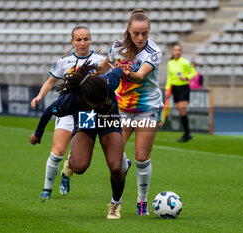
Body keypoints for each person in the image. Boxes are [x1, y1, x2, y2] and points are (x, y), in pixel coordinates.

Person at [67, 9, 162, 216]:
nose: (140, 38)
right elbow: (103, 67)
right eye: (136, 33)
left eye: (144, 33)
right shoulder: (117, 47)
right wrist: (88, 75)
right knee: (117, 161)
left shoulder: (154, 52)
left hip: (147, 108)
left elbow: (139, 76)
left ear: (149, 31)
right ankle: (122, 167)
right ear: (128, 30)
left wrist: (129, 73)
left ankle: (142, 202)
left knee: (142, 158)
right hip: (121, 109)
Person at [29, 61, 132, 219]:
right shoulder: (70, 100)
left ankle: (115, 204)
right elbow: (49, 110)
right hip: (86, 119)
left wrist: (123, 69)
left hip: (109, 120)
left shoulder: (108, 82)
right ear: (85, 98)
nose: (103, 102)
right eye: (98, 102)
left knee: (116, 167)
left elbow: (118, 71)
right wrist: (38, 134)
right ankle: (72, 161)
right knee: (80, 167)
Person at [31, 26, 106, 200]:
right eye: (78, 40)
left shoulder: (100, 60)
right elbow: (50, 82)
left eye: (86, 39)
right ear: (72, 42)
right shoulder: (65, 61)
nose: (82, 43)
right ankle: (47, 188)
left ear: (91, 40)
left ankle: (65, 176)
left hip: (87, 113)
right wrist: (40, 96)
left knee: (77, 156)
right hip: (67, 112)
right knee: (57, 152)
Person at [165, 43, 197, 142]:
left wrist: (186, 77)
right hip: (174, 88)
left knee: (182, 110)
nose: (177, 52)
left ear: (181, 52)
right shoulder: (170, 63)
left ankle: (187, 133)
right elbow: (169, 77)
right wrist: (167, 88)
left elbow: (194, 72)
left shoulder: (185, 62)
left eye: (179, 50)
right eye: (175, 50)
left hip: (183, 87)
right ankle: (187, 133)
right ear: (173, 52)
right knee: (180, 111)